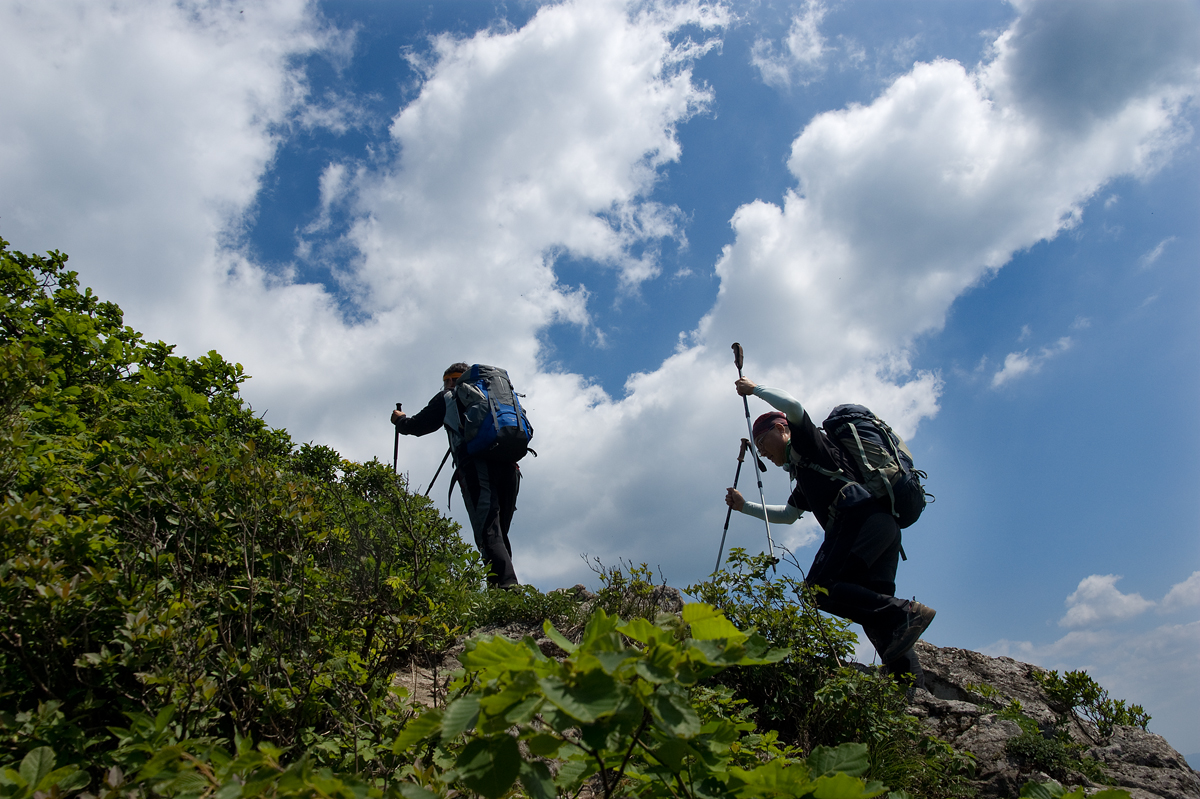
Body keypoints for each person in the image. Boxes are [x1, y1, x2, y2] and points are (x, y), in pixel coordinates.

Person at [725, 376, 935, 686]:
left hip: (860, 521)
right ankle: (910, 685)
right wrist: (745, 507)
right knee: (874, 611)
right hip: (883, 527)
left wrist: (755, 389)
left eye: (762, 442)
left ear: (781, 429)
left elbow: (793, 406)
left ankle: (909, 613)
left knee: (819, 589)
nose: (762, 452)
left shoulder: (809, 443)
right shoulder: (806, 471)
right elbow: (788, 516)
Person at [392, 362, 520, 588]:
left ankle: (505, 589)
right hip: (510, 465)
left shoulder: (450, 395)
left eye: (446, 381)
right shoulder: (494, 397)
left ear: (451, 380)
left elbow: (417, 426)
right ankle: (504, 588)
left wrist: (400, 420)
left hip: (477, 468)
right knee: (499, 531)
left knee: (488, 531)